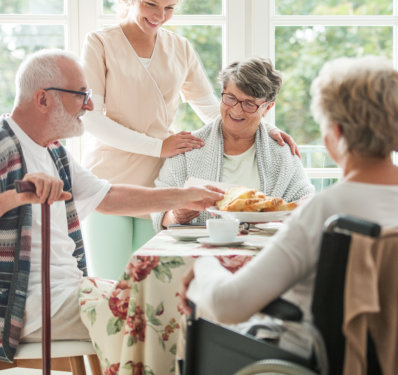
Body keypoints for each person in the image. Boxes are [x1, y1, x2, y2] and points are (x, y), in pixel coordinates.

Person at [0, 49, 223, 362]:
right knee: (158, 318)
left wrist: (183, 196)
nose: (89, 105)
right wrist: (16, 197)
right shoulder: (2, 144)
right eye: (81, 95)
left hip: (70, 289)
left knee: (172, 301)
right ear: (43, 99)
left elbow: (108, 196)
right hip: (24, 304)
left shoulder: (54, 152)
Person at [181, 55, 398, 329]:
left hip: (308, 361)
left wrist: (203, 267)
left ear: (336, 133)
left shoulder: (326, 211)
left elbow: (229, 305)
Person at [80, 0, 300, 267]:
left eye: (170, 7)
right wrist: (158, 146)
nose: (160, 15)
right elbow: (90, 118)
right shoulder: (100, 43)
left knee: (149, 281)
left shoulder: (179, 47)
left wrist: (267, 127)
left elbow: (210, 104)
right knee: (110, 280)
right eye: (152, 4)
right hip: (111, 176)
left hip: (157, 180)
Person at [152, 57, 314, 230]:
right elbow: (159, 211)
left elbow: (306, 205)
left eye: (249, 104)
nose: (237, 110)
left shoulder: (282, 154)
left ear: (267, 108)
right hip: (200, 251)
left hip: (264, 251)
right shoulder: (187, 148)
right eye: (230, 98)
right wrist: (176, 215)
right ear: (222, 92)